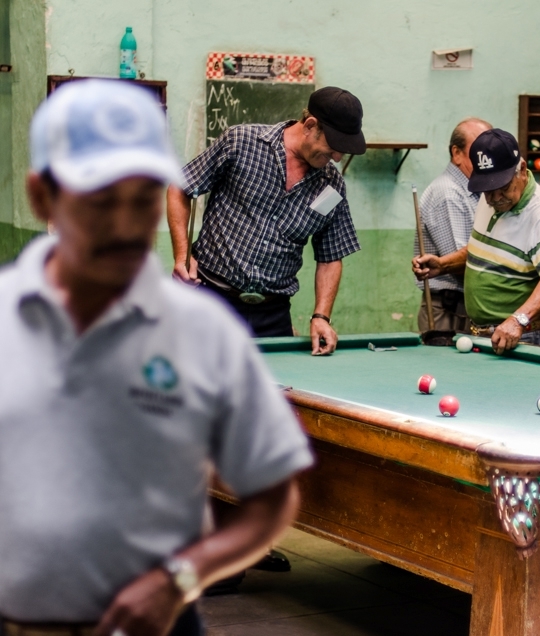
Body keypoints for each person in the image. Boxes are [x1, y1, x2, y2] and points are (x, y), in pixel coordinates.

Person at [3, 79, 313, 635]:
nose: (125, 223)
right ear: (43, 197)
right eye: (99, 198)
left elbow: (272, 494)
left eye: (143, 196)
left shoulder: (203, 330)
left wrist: (179, 580)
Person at [167, 86, 365, 355]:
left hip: (273, 314)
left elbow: (330, 256)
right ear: (310, 125)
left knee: (278, 395)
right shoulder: (241, 142)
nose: (338, 157)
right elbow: (180, 188)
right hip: (212, 299)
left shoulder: (331, 187)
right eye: (333, 146)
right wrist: (182, 255)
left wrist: (321, 316)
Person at [413, 129, 540, 354]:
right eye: (488, 190)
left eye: (503, 188)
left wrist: (518, 320)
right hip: (481, 334)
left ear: (522, 170)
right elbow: (481, 253)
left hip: (524, 336)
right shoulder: (489, 201)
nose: (495, 198)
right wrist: (443, 264)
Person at [414, 117, 492, 333]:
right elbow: (461, 264)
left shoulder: (478, 193)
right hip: (449, 311)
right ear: (457, 153)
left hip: (468, 307)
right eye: (478, 150)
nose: (486, 157)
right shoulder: (448, 193)